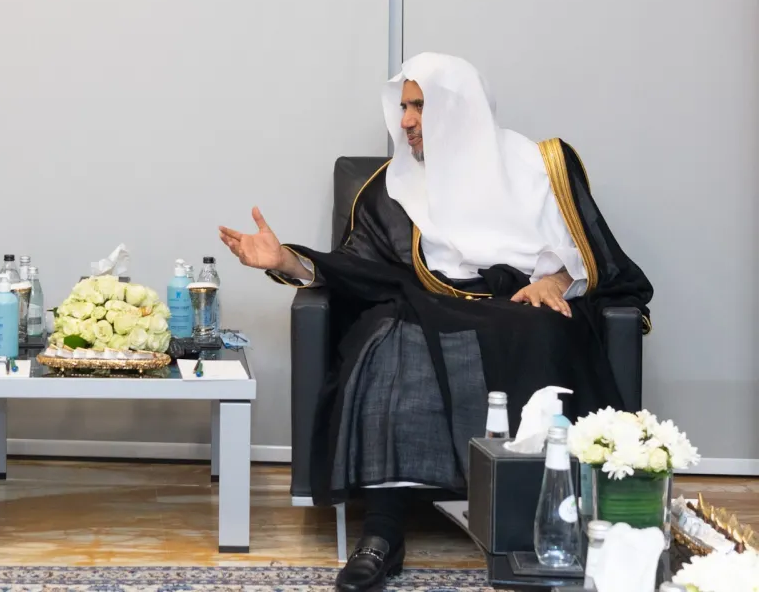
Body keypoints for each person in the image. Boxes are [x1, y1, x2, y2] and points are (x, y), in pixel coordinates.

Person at [219, 53, 651, 591]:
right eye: (403, 107)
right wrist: (287, 260)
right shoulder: (391, 187)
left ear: (460, 107)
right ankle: (381, 535)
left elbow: (599, 254)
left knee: (544, 330)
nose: (405, 121)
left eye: (419, 106)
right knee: (388, 339)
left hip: (522, 306)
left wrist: (558, 280)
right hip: (426, 305)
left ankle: (544, 530)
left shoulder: (545, 165)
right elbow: (359, 267)